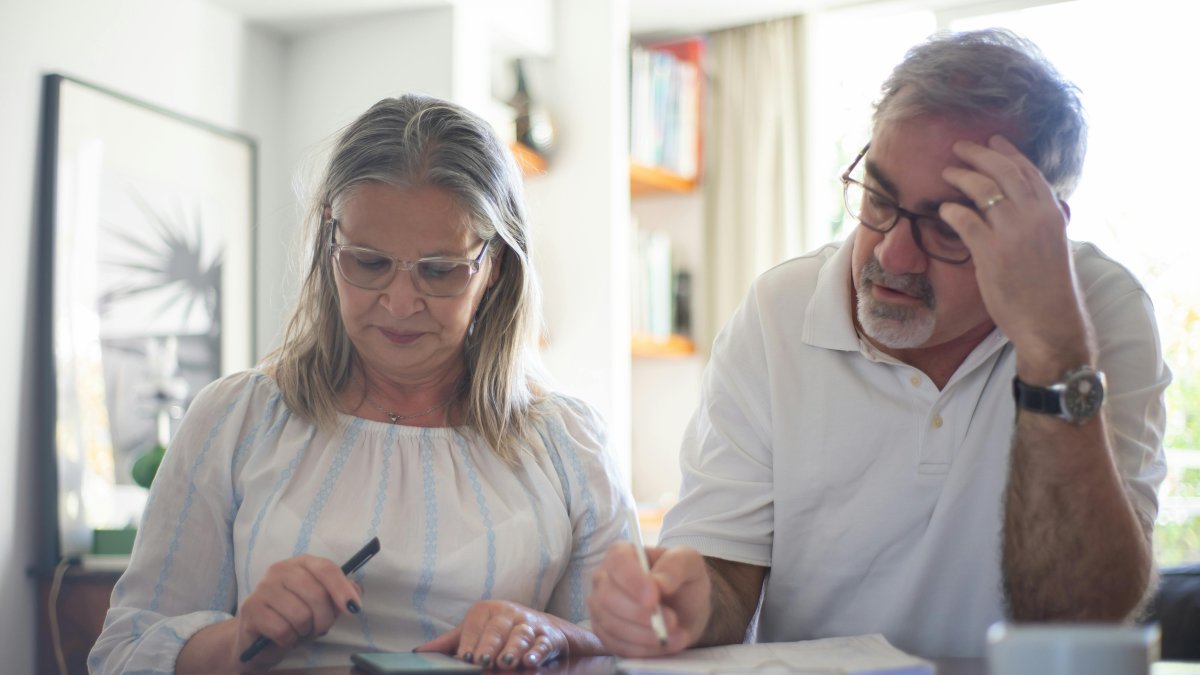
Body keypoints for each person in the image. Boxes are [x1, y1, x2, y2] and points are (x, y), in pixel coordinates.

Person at [587, 28, 1169, 659]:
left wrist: (1053, 349)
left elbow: (1079, 612)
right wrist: (688, 604)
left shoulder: (1098, 312)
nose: (892, 252)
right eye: (878, 198)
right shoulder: (779, 311)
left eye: (949, 224)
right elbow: (725, 576)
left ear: (1037, 228)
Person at [90, 94, 632, 672]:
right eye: (369, 263)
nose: (399, 303)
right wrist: (242, 639)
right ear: (329, 246)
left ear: (494, 266)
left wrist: (551, 634)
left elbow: (634, 655)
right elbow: (123, 654)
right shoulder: (235, 420)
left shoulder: (570, 444)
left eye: (439, 270)